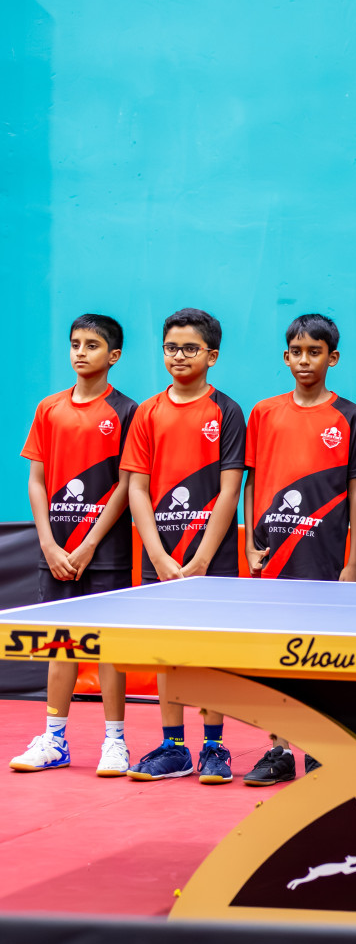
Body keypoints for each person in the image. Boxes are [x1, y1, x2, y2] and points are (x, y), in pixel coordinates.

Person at [241, 313, 356, 786]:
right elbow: (252, 479)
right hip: (275, 555)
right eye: (296, 352)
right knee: (278, 655)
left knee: (325, 656)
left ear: (332, 358)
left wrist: (354, 560)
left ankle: (322, 748)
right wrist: (250, 541)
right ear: (286, 357)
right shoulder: (263, 413)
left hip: (325, 556)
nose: (304, 360)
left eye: (314, 352)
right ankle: (278, 751)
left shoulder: (350, 416)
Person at [121, 308, 246, 784]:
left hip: (210, 558)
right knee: (167, 654)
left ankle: (215, 744)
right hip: (161, 557)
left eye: (190, 348)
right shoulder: (148, 412)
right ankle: (173, 745)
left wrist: (200, 560)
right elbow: (136, 488)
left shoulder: (227, 411)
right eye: (171, 347)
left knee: (207, 651)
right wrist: (158, 555)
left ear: (211, 355)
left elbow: (230, 489)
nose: (179, 356)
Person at [9, 315, 137, 777]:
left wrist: (89, 544)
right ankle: (54, 738)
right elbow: (37, 480)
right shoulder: (49, 409)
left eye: (92, 345)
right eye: (75, 344)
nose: (81, 352)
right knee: (59, 643)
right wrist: (48, 541)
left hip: (105, 551)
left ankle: (115, 741)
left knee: (106, 646)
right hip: (56, 548)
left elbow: (127, 485)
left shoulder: (127, 411)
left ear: (114, 356)